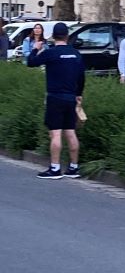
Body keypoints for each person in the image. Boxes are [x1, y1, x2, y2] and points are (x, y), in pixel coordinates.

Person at [27, 22, 85, 179]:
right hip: (71, 97)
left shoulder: (51, 53)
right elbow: (81, 77)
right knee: (71, 132)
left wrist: (35, 48)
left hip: (55, 97)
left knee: (55, 134)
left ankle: (55, 168)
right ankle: (73, 167)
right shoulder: (76, 54)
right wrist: (78, 94)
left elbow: (31, 62)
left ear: (53, 36)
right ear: (67, 36)